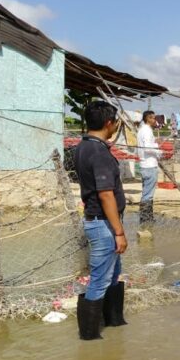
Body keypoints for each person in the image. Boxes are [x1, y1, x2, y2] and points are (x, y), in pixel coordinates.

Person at [73, 101, 129, 340]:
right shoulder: (98, 152)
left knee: (113, 273)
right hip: (103, 224)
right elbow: (106, 194)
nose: (116, 125)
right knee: (99, 279)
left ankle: (114, 321)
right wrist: (119, 231)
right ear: (109, 123)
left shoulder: (83, 146)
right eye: (116, 121)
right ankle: (89, 337)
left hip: (100, 221)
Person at [137, 110, 163, 224]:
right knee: (148, 194)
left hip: (145, 164)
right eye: (153, 118)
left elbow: (147, 145)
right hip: (149, 165)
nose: (155, 120)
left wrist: (154, 142)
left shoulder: (142, 130)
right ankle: (146, 220)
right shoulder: (146, 131)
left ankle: (147, 218)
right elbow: (147, 148)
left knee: (146, 192)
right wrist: (158, 149)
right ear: (148, 118)